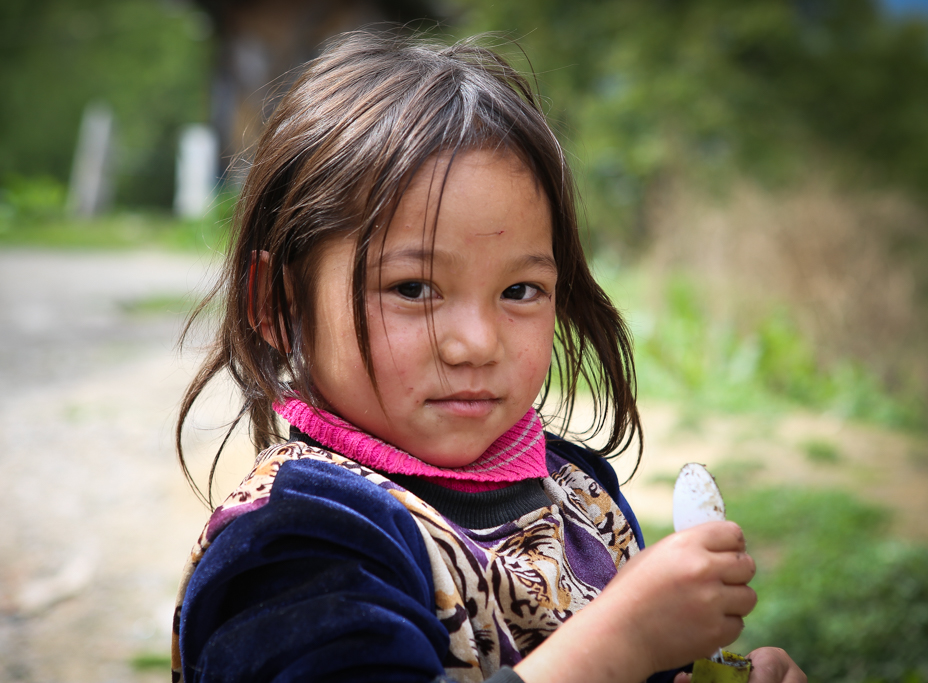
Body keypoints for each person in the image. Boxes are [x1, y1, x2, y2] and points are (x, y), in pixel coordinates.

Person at [171, 30, 806, 683]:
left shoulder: (578, 490)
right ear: (277, 303)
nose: (476, 342)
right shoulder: (293, 545)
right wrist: (622, 639)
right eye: (413, 289)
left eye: (519, 290)